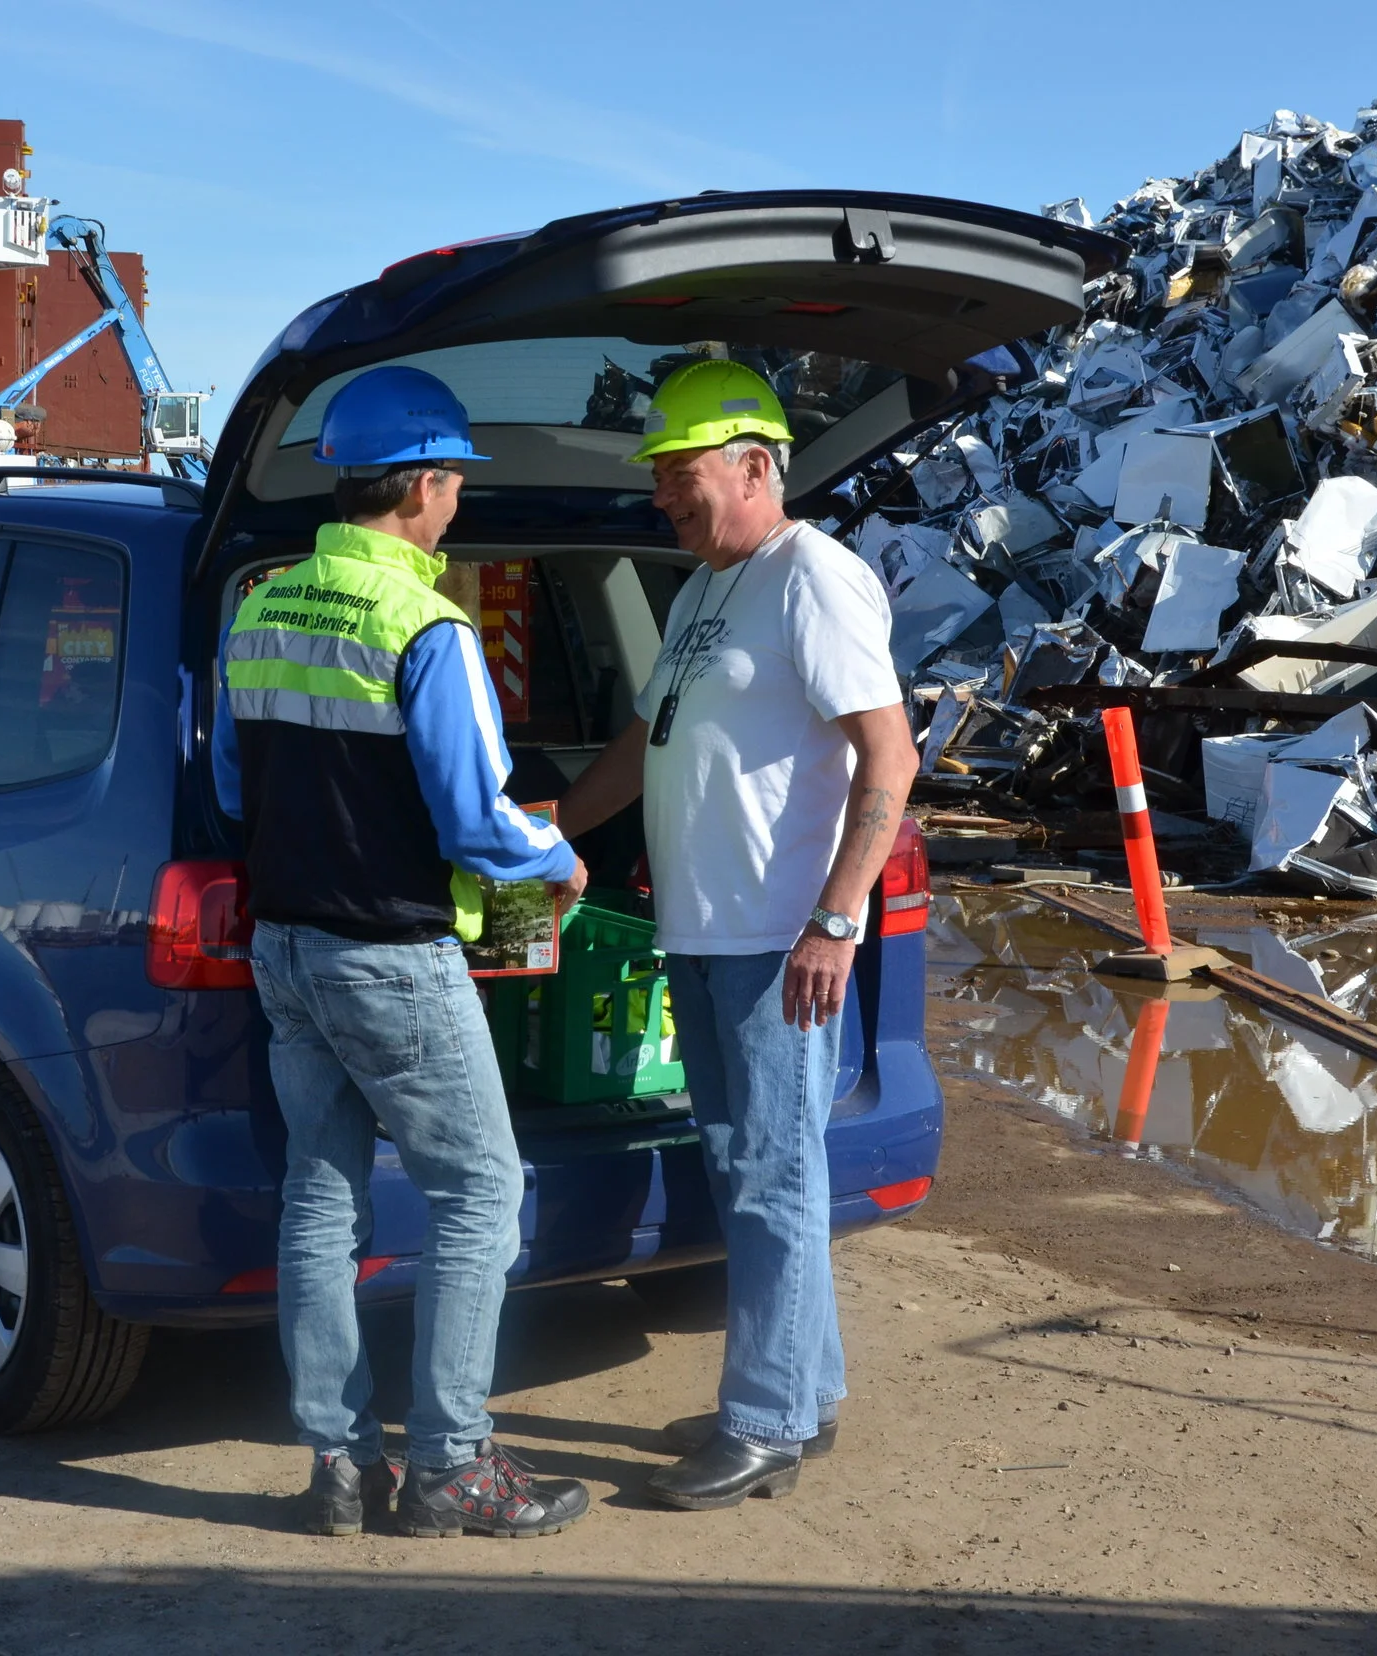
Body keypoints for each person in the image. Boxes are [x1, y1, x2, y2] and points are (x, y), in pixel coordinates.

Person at [212, 365, 594, 1540]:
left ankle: (337, 1468)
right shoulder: (427, 627)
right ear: (423, 484)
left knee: (319, 1205)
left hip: (285, 953)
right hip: (392, 958)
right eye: (455, 482)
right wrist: (557, 862)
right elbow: (477, 821)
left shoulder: (261, 605)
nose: (458, 503)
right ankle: (451, 1468)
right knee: (483, 1195)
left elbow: (232, 785)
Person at [560, 359, 916, 1510]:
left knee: (770, 1178)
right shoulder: (708, 588)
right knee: (752, 1168)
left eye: (679, 473)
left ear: (754, 467)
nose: (661, 494)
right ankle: (799, 1395)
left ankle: (761, 1422)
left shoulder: (814, 578)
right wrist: (549, 825)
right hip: (706, 935)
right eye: (659, 475)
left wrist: (835, 916)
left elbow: (890, 757)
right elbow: (644, 739)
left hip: (779, 941)